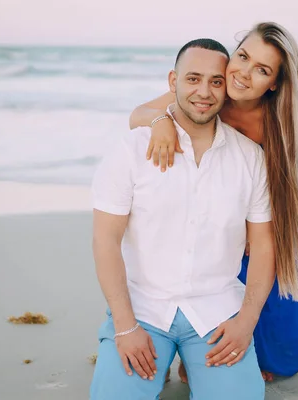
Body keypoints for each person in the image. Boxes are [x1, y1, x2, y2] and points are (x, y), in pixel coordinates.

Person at [89, 38, 280, 399]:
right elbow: (105, 240)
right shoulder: (132, 148)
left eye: (215, 81)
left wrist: (246, 322)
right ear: (172, 81)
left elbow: (265, 245)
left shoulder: (251, 158)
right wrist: (126, 327)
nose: (204, 92)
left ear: (227, 87)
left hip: (218, 315)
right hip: (142, 310)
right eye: (193, 79)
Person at [129, 21, 298, 383]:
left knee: (286, 330)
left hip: (285, 203)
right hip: (234, 204)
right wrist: (160, 122)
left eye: (262, 69)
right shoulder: (210, 96)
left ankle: (260, 346)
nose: (245, 73)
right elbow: (135, 114)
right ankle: (202, 348)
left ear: (275, 82)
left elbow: (286, 198)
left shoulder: (282, 123)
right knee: (222, 273)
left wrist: (258, 233)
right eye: (243, 57)